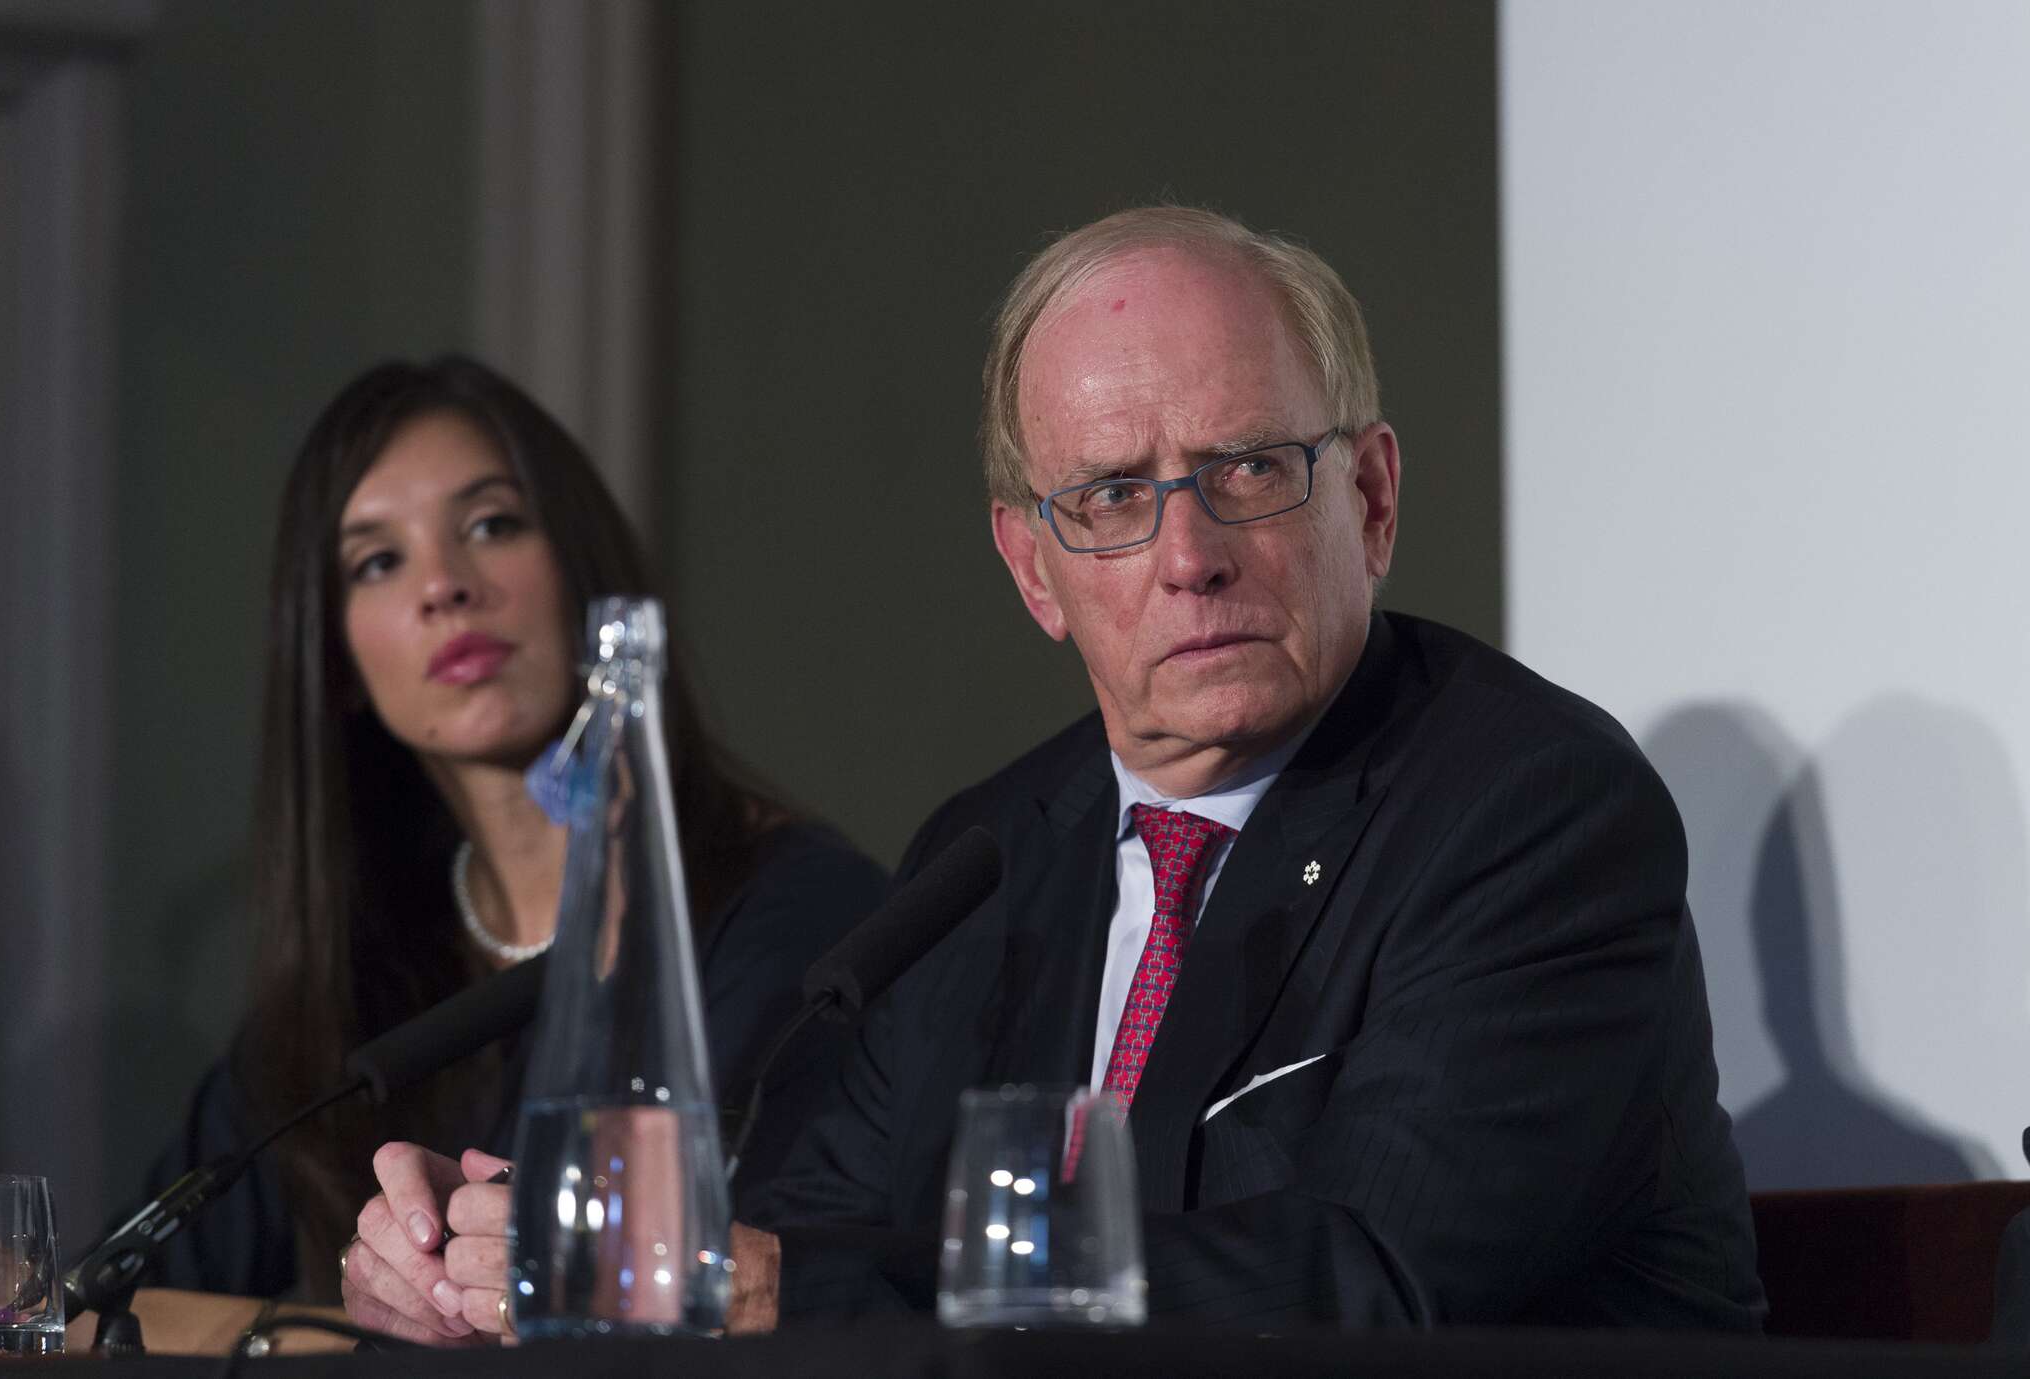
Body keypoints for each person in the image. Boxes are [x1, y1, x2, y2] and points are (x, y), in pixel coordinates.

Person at [352, 207, 1765, 1338]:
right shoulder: (986, 857)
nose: (1188, 554)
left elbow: (1371, 1278)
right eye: (1110, 497)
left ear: (1373, 498)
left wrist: (774, 1286)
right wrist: (505, 1264)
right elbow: (794, 1240)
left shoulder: (1527, 810)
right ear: (1034, 569)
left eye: (1249, 469)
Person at [143, 356, 886, 1332]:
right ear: (339, 665)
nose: (445, 586)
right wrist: (359, 1305)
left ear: (584, 572)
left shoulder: (804, 919)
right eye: (378, 561)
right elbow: (112, 1299)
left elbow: (817, 1288)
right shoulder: (347, 988)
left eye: (491, 524)